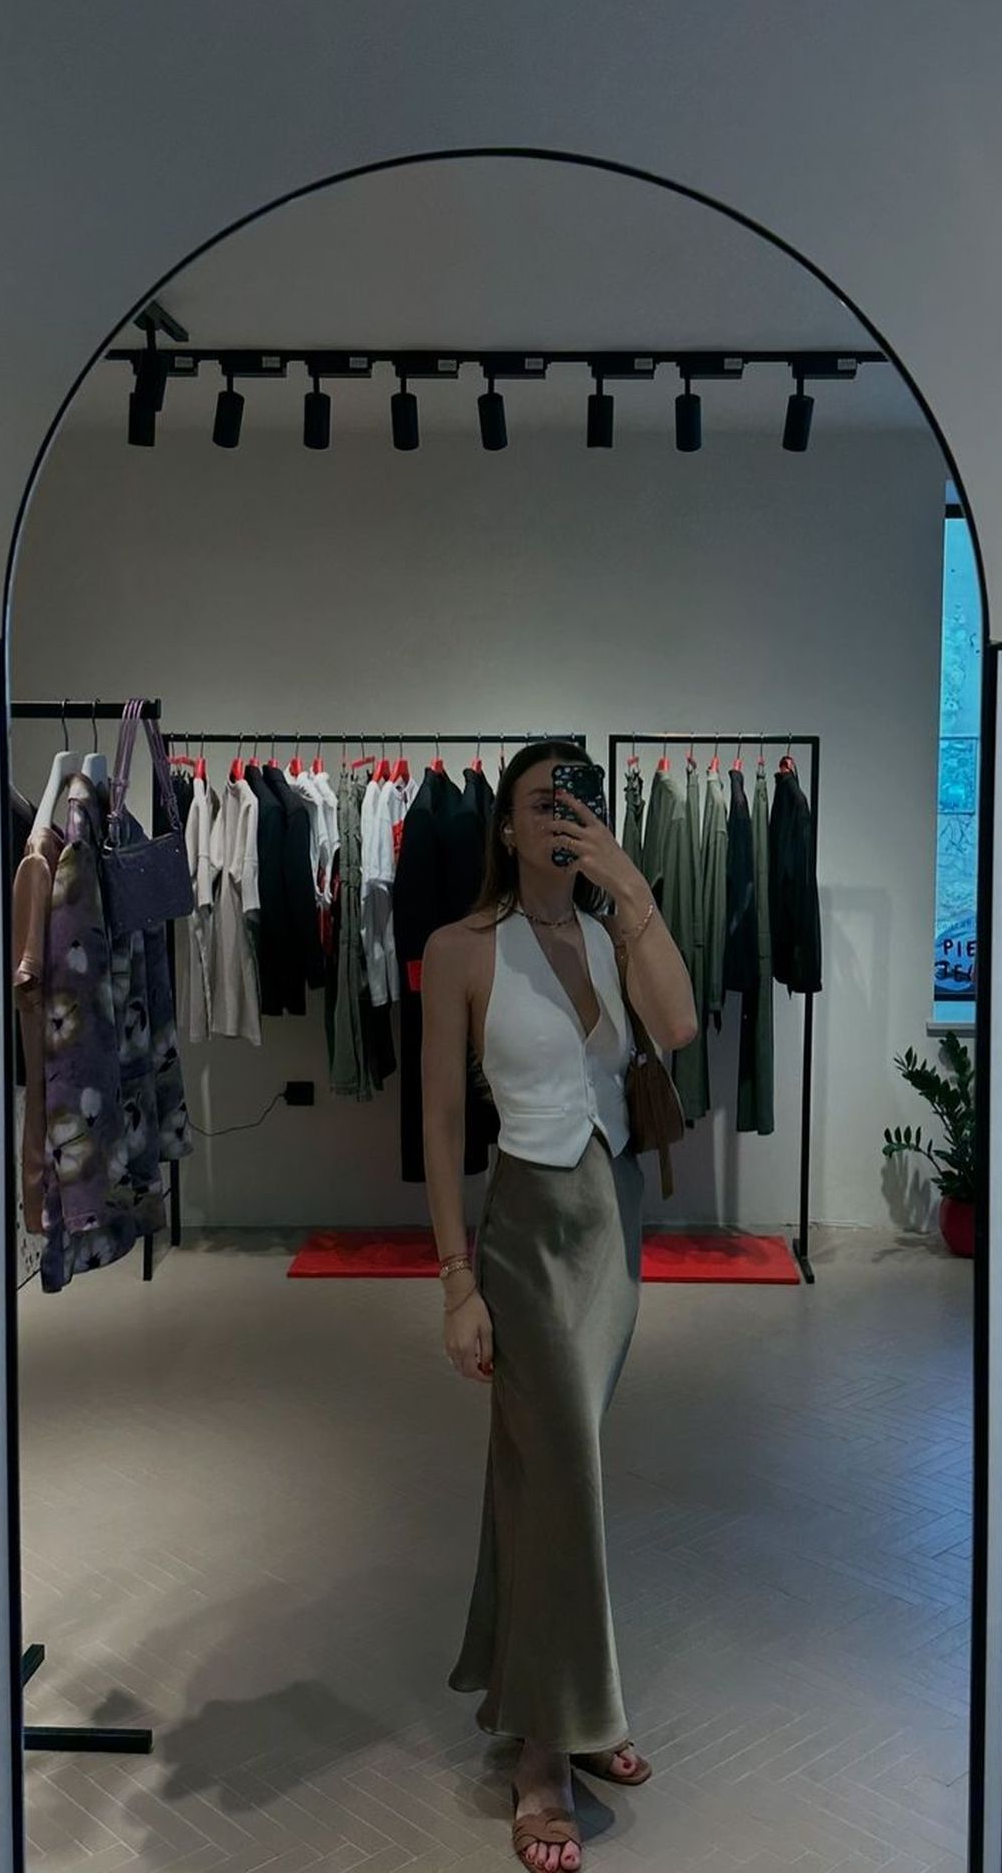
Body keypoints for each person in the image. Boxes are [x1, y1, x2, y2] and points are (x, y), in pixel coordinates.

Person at [421, 741, 697, 1872]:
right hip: (526, 1233)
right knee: (565, 1475)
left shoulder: (610, 931)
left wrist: (627, 886)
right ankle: (550, 1746)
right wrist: (456, 1281)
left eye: (578, 801)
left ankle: (562, 1699)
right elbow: (442, 1121)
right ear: (505, 826)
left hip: (612, 1226)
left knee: (546, 1478)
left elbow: (677, 1029)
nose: (561, 818)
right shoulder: (459, 949)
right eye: (542, 802)